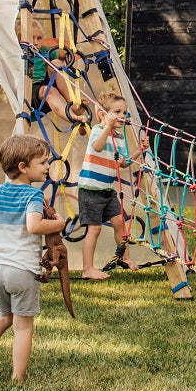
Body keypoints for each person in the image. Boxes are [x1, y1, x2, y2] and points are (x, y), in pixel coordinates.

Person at [0, 134, 67, 381]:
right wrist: (59, 223)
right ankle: (18, 377)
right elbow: (34, 226)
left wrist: (5, 227)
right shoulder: (33, 196)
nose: (47, 167)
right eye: (42, 163)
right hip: (22, 271)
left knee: (5, 316)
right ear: (23, 167)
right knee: (23, 326)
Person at [77, 94, 138, 280]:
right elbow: (97, 146)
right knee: (94, 229)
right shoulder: (98, 130)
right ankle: (88, 268)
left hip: (107, 190)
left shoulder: (120, 138)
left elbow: (123, 163)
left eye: (124, 113)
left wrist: (139, 151)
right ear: (103, 115)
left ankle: (125, 257)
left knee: (120, 223)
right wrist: (107, 127)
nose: (122, 116)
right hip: (90, 189)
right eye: (117, 112)